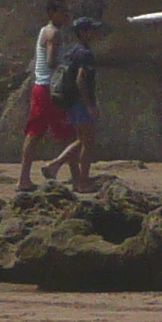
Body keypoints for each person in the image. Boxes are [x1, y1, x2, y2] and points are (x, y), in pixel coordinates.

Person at [37, 13, 105, 193]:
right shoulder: (85, 54)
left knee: (82, 140)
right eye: (91, 30)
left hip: (72, 102)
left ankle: (55, 165)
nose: (95, 33)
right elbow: (81, 79)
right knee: (87, 143)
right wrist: (90, 104)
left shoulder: (72, 52)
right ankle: (81, 181)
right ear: (83, 33)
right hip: (82, 102)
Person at [15, 0, 68, 195]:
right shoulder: (54, 34)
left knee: (35, 133)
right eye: (62, 12)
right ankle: (76, 176)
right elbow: (51, 61)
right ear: (52, 13)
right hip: (50, 88)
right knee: (67, 133)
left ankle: (24, 178)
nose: (66, 16)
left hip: (41, 86)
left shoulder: (44, 31)